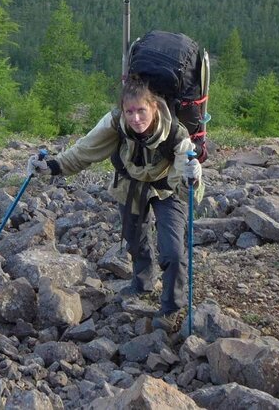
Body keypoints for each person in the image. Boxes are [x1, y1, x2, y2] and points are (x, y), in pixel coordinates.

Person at [28, 75, 202, 334]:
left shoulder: (176, 134)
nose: (135, 118)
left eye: (141, 110)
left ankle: (171, 308)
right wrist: (51, 166)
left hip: (167, 188)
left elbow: (182, 179)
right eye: (129, 111)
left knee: (174, 252)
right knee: (134, 238)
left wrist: (191, 179)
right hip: (130, 184)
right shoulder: (115, 124)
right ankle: (142, 282)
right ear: (122, 110)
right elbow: (84, 151)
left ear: (153, 106)